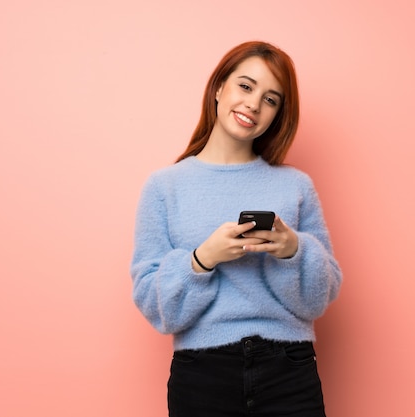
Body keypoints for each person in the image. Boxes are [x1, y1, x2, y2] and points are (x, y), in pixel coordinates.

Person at [130, 40, 342, 417]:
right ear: (218, 88)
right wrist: (201, 260)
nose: (253, 104)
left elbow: (318, 300)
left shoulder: (296, 186)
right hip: (201, 374)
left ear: (278, 114)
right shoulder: (164, 187)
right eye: (245, 86)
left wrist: (293, 250)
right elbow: (154, 307)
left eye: (271, 99)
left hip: (289, 369)